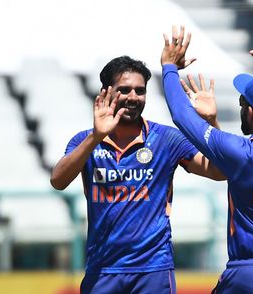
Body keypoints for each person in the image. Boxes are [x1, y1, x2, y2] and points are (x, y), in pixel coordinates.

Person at [160, 22, 253, 293]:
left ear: (251, 112)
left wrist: (169, 68)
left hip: (249, 273)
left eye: (243, 103)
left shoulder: (243, 152)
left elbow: (181, 116)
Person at [50, 55, 224, 293]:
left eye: (139, 91)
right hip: (102, 270)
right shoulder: (85, 141)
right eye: (124, 90)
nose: (133, 97)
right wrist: (96, 138)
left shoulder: (166, 139)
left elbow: (220, 171)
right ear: (106, 92)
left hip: (153, 269)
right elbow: (58, 181)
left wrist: (211, 122)